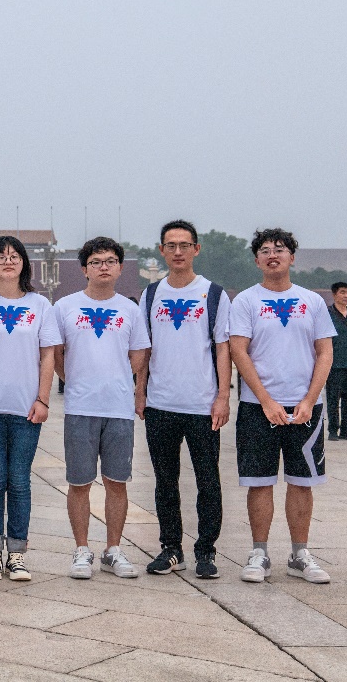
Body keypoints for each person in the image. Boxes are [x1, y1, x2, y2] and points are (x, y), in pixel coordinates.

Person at [229, 228, 334, 585]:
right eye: (265, 250)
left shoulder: (312, 301)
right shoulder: (246, 301)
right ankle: (259, 553)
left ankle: (299, 554)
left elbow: (325, 352)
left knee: (302, 481)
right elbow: (239, 350)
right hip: (257, 406)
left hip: (305, 407)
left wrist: (309, 400)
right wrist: (266, 400)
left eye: (280, 249)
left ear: (292, 257)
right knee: (259, 481)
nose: (272, 255)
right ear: (256, 260)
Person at [54, 237, 150, 581]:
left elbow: (139, 356)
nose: (103, 267)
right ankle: (82, 550)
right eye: (96, 262)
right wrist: (76, 380)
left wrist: (120, 380)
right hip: (80, 407)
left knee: (116, 482)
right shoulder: (65, 306)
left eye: (110, 261)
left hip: (118, 408)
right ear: (84, 269)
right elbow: (56, 355)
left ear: (120, 268)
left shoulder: (130, 310)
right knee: (79, 482)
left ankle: (113, 550)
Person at [141, 220, 231, 580]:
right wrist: (140, 392)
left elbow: (223, 348)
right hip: (161, 403)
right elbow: (144, 348)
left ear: (196, 249)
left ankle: (206, 550)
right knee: (165, 481)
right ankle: (171, 548)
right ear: (161, 251)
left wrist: (223, 396)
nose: (177, 252)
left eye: (184, 245)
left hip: (202, 405)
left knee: (208, 480)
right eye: (171, 245)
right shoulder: (151, 295)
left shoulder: (213, 294)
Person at [0, 235, 59, 581]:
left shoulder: (40, 305)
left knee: (19, 481)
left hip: (26, 410)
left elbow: (48, 356)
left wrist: (43, 399)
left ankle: (17, 554)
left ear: (24, 263)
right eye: (1, 256)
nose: (8, 261)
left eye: (14, 256)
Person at [324, 282, 347, 441]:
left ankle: (346, 429)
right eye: (342, 292)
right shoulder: (327, 313)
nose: (346, 295)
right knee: (333, 397)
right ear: (334, 295)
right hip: (334, 363)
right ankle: (333, 429)